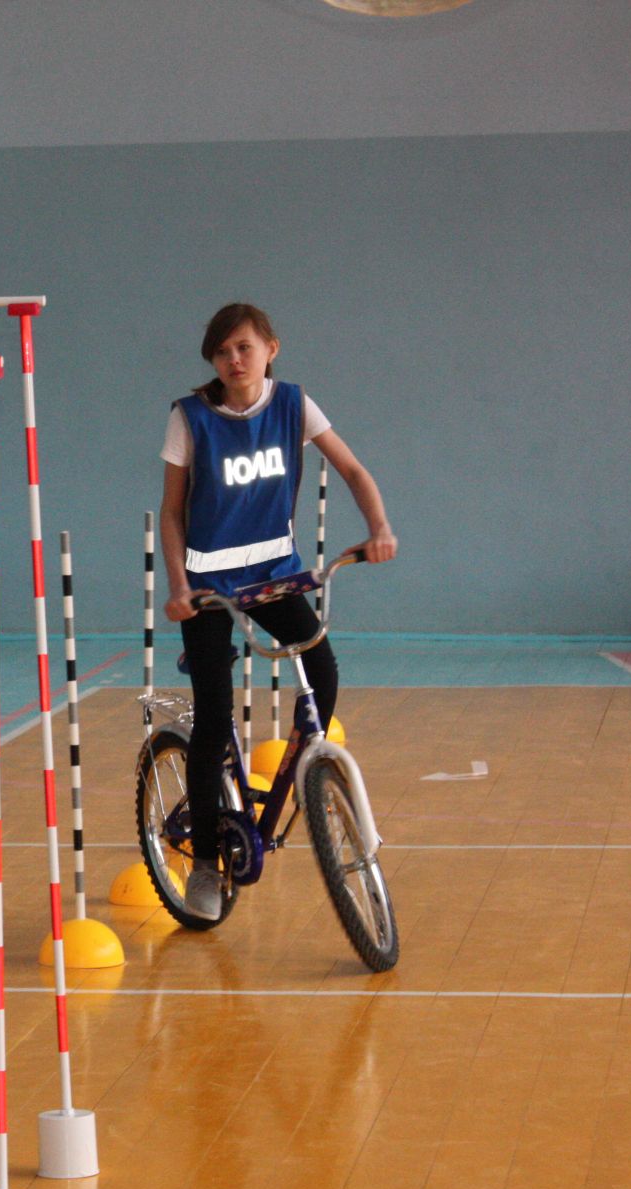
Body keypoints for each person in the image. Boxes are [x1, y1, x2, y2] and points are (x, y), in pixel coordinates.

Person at [160, 302, 397, 921]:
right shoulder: (190, 418)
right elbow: (172, 511)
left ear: (271, 347)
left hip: (274, 576)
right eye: (222, 352)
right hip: (211, 588)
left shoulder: (294, 404)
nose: (233, 360)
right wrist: (180, 586)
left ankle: (304, 781)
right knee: (213, 719)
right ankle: (208, 865)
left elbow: (350, 467)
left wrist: (378, 526)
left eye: (244, 347)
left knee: (324, 671)